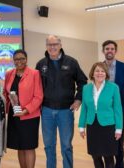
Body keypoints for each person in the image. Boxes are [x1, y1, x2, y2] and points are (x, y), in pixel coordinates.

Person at [36, 35, 87, 168]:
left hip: (66, 111)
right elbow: (36, 86)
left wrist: (78, 99)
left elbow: (82, 82)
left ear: (60, 45)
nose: (52, 47)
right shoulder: (41, 64)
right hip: (46, 110)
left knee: (66, 146)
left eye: (55, 44)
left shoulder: (71, 62)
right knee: (48, 145)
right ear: (46, 46)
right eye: (49, 44)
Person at [4, 49, 43, 168]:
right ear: (13, 60)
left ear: (26, 60)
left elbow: (38, 96)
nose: (19, 61)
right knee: (19, 146)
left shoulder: (35, 73)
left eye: (22, 58)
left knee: (29, 146)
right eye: (16, 59)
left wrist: (26, 110)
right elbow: (6, 93)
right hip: (14, 115)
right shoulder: (9, 73)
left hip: (29, 116)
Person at [79, 62, 123, 168]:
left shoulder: (113, 87)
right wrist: (81, 126)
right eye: (97, 71)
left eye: (102, 71)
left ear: (106, 74)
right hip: (92, 125)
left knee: (108, 157)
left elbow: (118, 109)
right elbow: (84, 109)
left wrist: (119, 129)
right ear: (92, 73)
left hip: (108, 126)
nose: (100, 73)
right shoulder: (86, 88)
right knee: (95, 156)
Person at [102, 40, 124, 168]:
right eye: (107, 48)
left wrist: (117, 103)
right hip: (103, 111)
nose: (109, 51)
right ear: (103, 51)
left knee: (119, 140)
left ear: (115, 51)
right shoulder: (99, 67)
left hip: (118, 110)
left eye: (112, 49)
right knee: (105, 140)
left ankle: (119, 165)